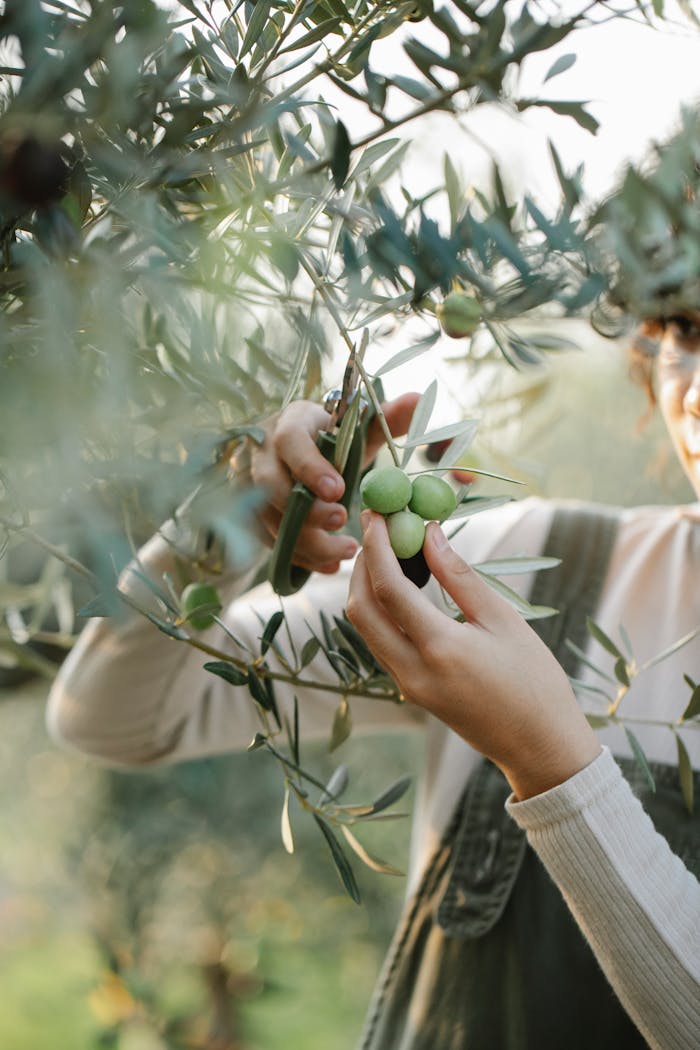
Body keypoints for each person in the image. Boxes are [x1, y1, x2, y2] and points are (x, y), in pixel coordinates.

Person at [45, 320, 700, 1049]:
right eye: (689, 328)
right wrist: (230, 524)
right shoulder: (529, 567)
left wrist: (549, 762)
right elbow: (109, 718)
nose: (696, 390)